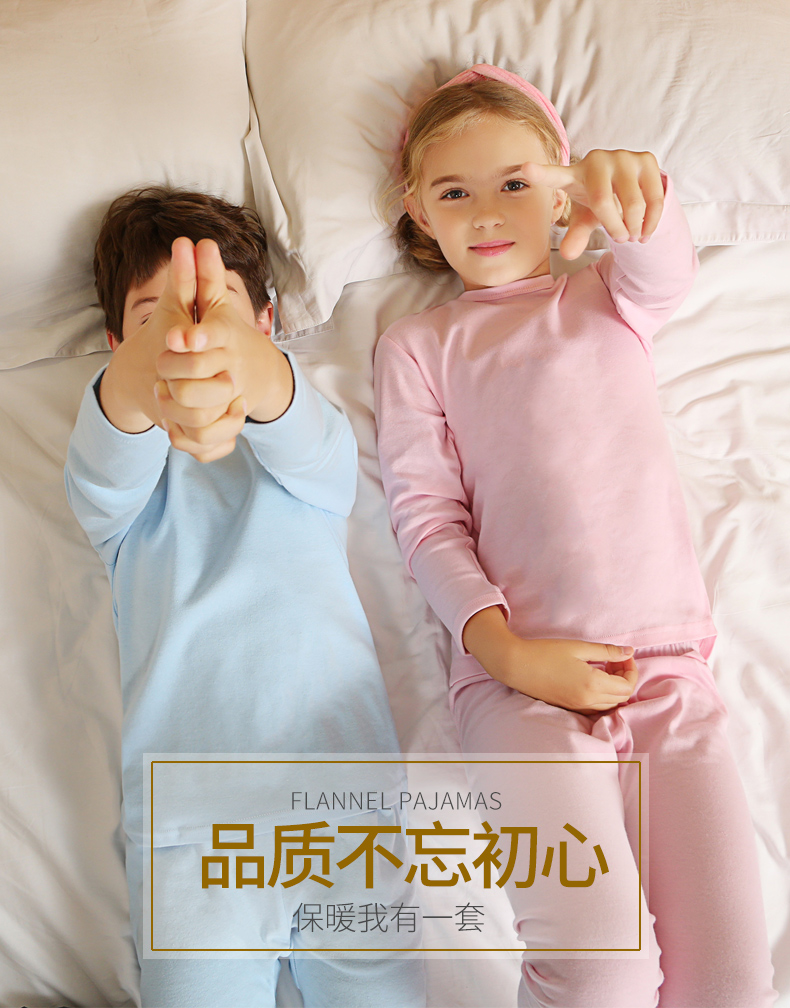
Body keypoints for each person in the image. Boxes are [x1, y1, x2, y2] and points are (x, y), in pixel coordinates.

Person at [373, 65, 778, 1007]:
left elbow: (663, 263)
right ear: (418, 210)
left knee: (730, 982)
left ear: (561, 192)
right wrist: (504, 651)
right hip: (520, 687)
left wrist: (633, 193)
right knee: (600, 972)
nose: (487, 211)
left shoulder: (608, 296)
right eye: (454, 192)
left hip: (667, 674)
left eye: (516, 183)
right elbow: (426, 517)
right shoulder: (420, 346)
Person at [65, 187, 424, 1008]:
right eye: (152, 319)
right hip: (194, 829)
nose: (188, 335)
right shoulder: (124, 503)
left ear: (267, 322)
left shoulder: (309, 457)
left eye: (217, 309)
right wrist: (146, 373)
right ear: (115, 344)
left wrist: (247, 368)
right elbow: (106, 449)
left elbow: (294, 417)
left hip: (349, 817)